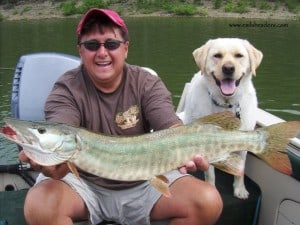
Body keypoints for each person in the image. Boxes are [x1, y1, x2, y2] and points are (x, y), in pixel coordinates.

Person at [19, 8, 223, 225]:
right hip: (83, 185)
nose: (102, 52)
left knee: (207, 202)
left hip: (145, 181)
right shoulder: (66, 88)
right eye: (91, 45)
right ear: (80, 51)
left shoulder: (146, 83)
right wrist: (52, 163)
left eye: (111, 44)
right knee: (39, 205)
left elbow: (172, 129)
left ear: (125, 48)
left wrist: (187, 150)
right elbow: (61, 130)